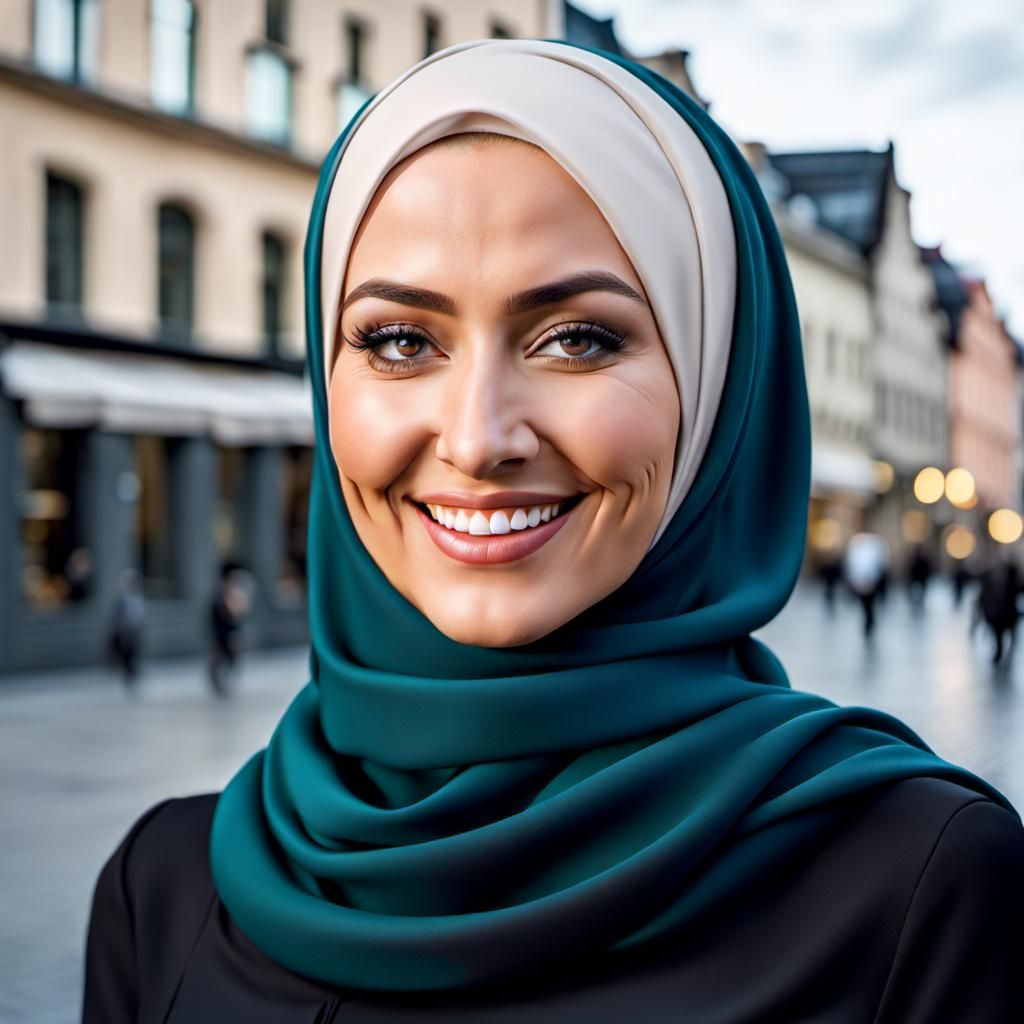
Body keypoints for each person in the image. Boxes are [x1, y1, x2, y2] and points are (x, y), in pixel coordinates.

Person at [82, 38, 1024, 1022]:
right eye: (400, 340)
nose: (479, 437)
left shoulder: (917, 886)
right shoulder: (166, 889)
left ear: (715, 391)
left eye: (576, 337)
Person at [207, 564, 253, 697]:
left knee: (232, 657)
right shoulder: (219, 598)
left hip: (231, 632)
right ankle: (219, 682)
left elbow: (240, 613)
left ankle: (224, 680)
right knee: (220, 657)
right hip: (222, 633)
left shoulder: (236, 595)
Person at [977, 553, 1022, 666]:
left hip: (1009, 613)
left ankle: (1007, 653)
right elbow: (983, 596)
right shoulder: (986, 577)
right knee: (998, 636)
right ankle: (998, 653)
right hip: (995, 614)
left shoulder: (1012, 576)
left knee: (1012, 636)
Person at [843, 531, 889, 639]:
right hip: (864, 582)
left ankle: (869, 621)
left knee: (869, 604)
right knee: (867, 604)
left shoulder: (871, 549)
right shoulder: (862, 549)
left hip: (870, 582)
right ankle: (869, 621)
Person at [107, 568, 144, 689]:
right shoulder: (121, 600)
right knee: (125, 657)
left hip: (134, 633)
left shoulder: (137, 599)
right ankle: (127, 677)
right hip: (125, 633)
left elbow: (140, 616)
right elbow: (116, 618)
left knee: (133, 656)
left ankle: (132, 677)